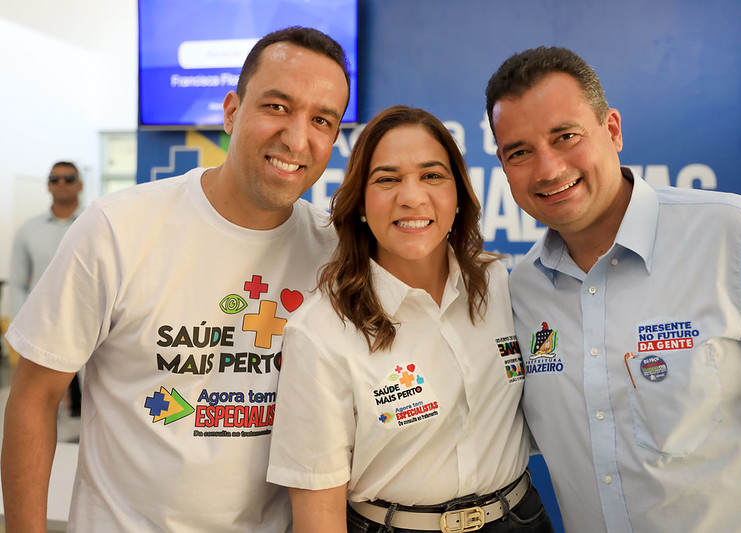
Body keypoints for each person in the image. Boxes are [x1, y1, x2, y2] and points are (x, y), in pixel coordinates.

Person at [1, 26, 350, 533]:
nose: (297, 138)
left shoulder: (335, 254)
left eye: (321, 120)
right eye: (277, 106)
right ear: (232, 111)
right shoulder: (118, 228)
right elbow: (34, 398)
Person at [485, 46, 741, 532]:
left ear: (612, 130)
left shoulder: (739, 237)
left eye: (565, 136)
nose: (547, 169)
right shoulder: (520, 291)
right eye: (519, 152)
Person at [267, 105, 555, 533]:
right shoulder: (321, 331)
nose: (412, 197)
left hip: (520, 517)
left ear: (458, 193)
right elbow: (318, 512)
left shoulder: (496, 282)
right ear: (361, 203)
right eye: (387, 179)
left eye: (432, 175)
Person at [8, 161, 84, 416]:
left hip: (87, 324)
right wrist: (22, 327)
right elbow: (18, 282)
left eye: (68, 178)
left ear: (80, 184)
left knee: (89, 403)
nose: (61, 183)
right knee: (40, 407)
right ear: (47, 185)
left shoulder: (94, 224)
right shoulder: (28, 230)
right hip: (42, 328)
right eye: (54, 178)